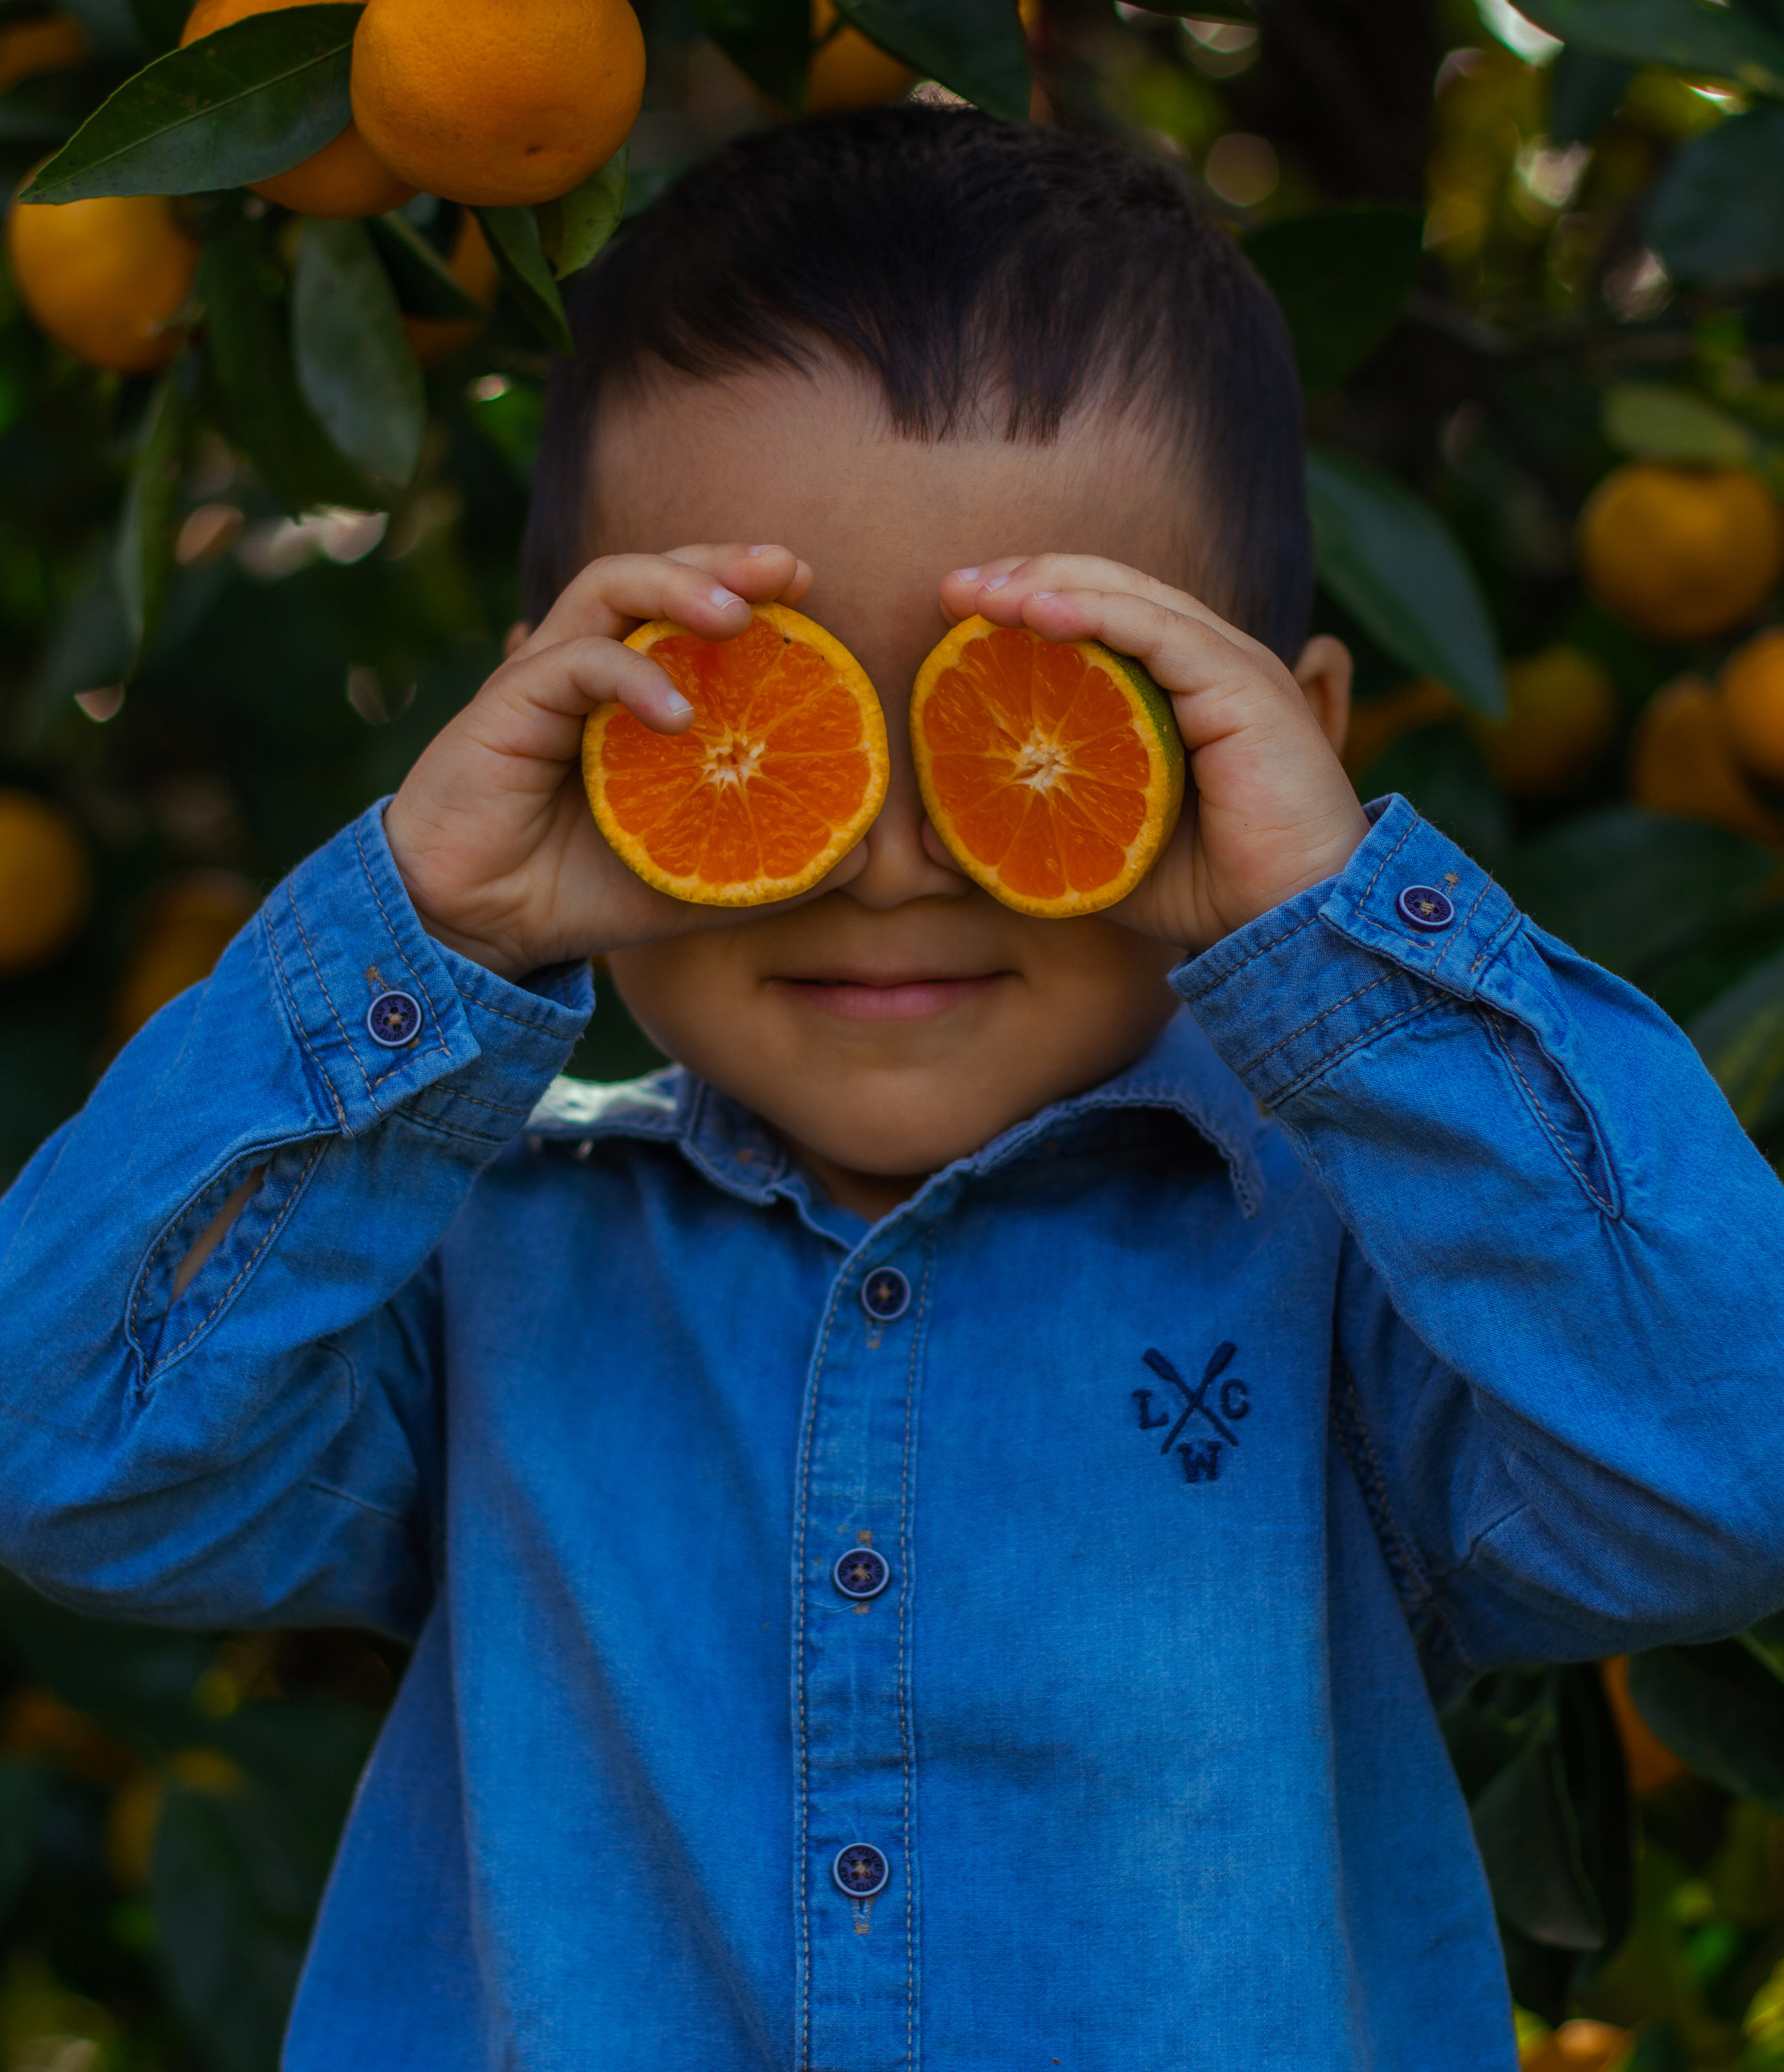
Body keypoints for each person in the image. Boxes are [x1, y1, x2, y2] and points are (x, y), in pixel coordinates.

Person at [1, 107, 1781, 2072]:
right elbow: (65, 1452)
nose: (889, 855)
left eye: (1027, 715)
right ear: (574, 727)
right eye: (762, 714)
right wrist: (424, 931)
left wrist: (1339, 926)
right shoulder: (485, 1263)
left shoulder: (1360, 1273)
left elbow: (1732, 1468)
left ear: (1284, 739)